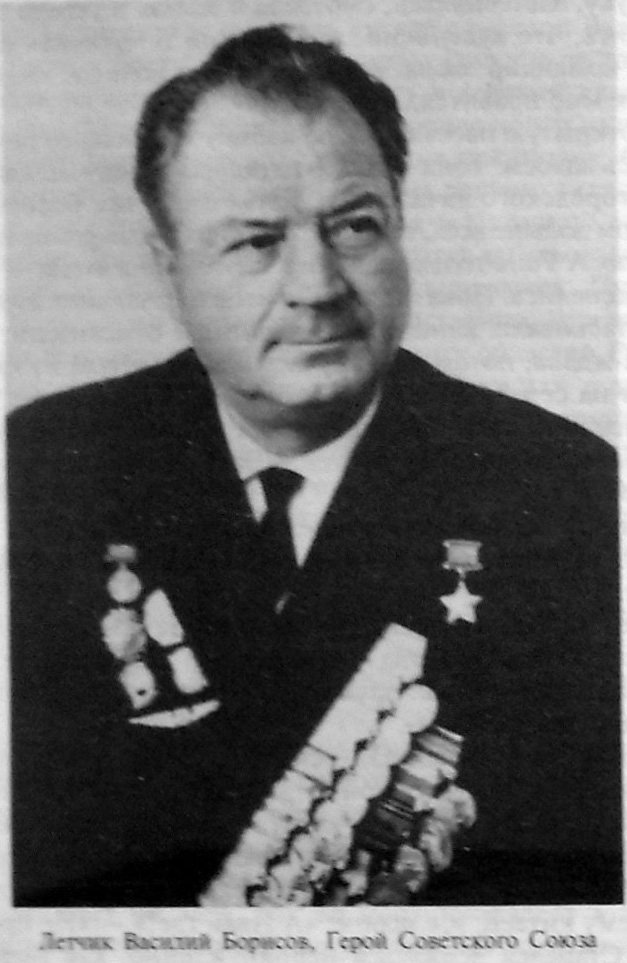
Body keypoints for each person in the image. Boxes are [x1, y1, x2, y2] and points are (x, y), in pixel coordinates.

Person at [8, 24, 620, 907]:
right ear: (169, 268)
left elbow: (581, 884)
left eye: (354, 226)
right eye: (257, 241)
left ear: (400, 227)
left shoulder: (561, 490)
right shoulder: (41, 473)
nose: (317, 285)